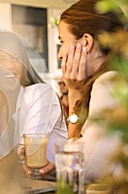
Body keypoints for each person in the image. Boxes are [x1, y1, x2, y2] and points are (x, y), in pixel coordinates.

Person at [0, 31, 68, 179]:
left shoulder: (40, 94)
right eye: (0, 59)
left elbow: (26, 158)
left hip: (54, 186)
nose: (9, 66)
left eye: (16, 58)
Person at [57, 0, 125, 181]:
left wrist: (74, 95)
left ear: (86, 42)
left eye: (62, 41)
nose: (60, 54)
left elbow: (85, 168)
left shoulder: (108, 83)